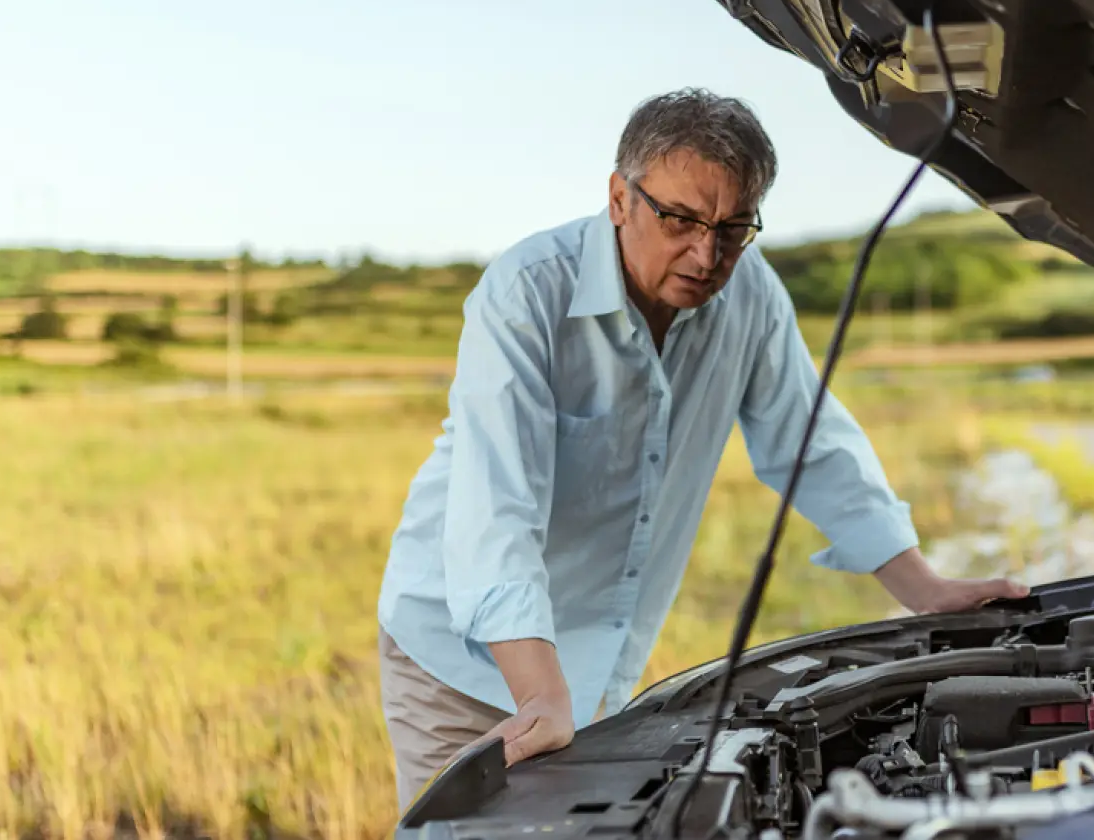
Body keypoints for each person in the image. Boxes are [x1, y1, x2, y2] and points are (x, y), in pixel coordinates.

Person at [375, 88, 1026, 811]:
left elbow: (812, 443)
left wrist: (925, 590)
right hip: (459, 661)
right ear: (620, 197)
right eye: (680, 219)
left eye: (734, 228)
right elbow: (498, 507)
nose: (707, 254)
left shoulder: (750, 297)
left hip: (591, 677)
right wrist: (539, 693)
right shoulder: (526, 294)